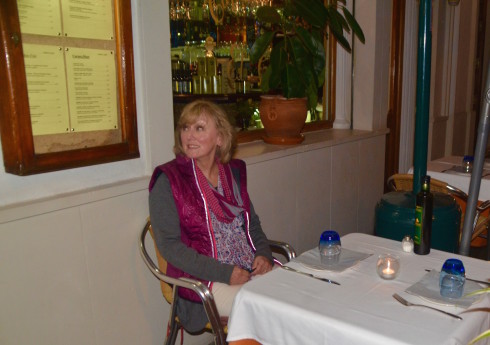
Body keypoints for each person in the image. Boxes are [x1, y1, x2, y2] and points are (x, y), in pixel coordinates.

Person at [149, 100, 274, 332]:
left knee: (292, 293)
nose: (189, 136)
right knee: (269, 309)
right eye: (185, 128)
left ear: (220, 137)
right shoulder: (169, 181)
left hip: (247, 269)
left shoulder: (232, 174)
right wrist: (225, 273)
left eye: (199, 128)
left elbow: (251, 224)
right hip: (202, 282)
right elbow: (170, 247)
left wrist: (264, 254)